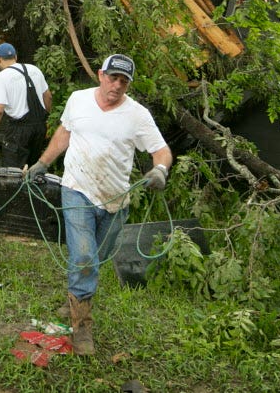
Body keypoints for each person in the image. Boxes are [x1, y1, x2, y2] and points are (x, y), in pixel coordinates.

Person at [25, 53, 172, 356]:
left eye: (124, 81)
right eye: (113, 77)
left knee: (97, 258)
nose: (117, 85)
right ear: (100, 74)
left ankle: (75, 299)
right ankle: (82, 327)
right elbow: (64, 133)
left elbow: (161, 151)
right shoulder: (78, 100)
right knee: (84, 257)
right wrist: (42, 163)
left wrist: (160, 170)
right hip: (76, 189)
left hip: (115, 199)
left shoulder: (137, 115)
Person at [0, 42, 52, 168]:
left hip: (19, 131)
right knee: (33, 168)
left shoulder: (1, 78)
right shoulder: (35, 70)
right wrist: (46, 121)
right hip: (39, 128)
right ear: (15, 57)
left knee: (13, 172)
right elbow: (48, 97)